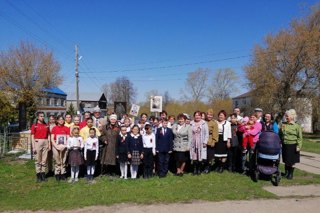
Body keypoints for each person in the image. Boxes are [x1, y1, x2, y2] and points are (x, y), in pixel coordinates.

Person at [280, 109, 303, 180]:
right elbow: (280, 134)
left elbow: (300, 137)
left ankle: (291, 174)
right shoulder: (283, 124)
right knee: (286, 160)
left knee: (292, 161)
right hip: (285, 145)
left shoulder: (296, 126)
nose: (286, 117)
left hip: (293, 145)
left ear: (292, 117)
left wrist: (299, 146)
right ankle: (286, 173)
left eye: (287, 116)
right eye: (286, 116)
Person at [31, 112, 50, 182]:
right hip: (37, 142)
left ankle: (43, 174)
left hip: (45, 141)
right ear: (38, 117)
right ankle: (38, 175)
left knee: (44, 160)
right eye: (41, 116)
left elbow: (48, 135)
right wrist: (33, 147)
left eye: (43, 116)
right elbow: (32, 136)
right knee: (38, 160)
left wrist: (49, 144)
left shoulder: (46, 125)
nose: (42, 117)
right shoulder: (34, 125)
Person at [51, 115, 70, 181]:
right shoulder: (54, 128)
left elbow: (68, 138)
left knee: (63, 160)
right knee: (57, 161)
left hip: (64, 146)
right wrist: (56, 146)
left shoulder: (66, 128)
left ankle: (63, 173)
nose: (61, 121)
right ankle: (57, 173)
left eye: (62, 119)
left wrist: (64, 146)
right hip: (56, 145)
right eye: (59, 119)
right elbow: (52, 139)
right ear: (57, 121)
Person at [190, 111, 209, 175]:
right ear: (194, 116)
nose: (197, 116)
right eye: (196, 115)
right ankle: (194, 170)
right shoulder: (191, 123)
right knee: (194, 156)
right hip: (193, 142)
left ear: (201, 116)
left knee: (200, 157)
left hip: (201, 142)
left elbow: (207, 133)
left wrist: (205, 142)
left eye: (199, 115)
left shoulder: (204, 123)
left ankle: (199, 170)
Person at [203, 109, 219, 174]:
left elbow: (215, 133)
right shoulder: (203, 122)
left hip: (210, 140)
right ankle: (204, 166)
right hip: (203, 140)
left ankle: (208, 167)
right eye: (208, 114)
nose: (209, 116)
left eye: (211, 115)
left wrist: (213, 141)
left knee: (209, 156)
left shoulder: (214, 123)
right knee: (204, 156)